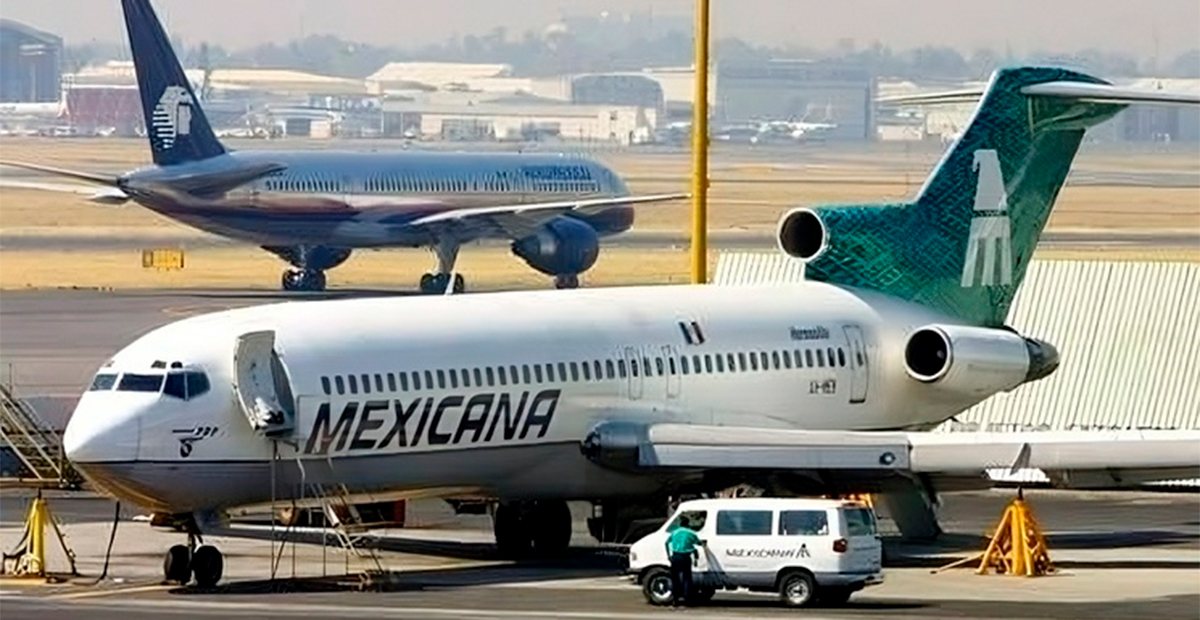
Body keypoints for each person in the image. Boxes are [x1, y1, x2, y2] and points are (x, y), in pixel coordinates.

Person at [665, 516, 706, 606]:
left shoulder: (674, 533)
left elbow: (666, 543)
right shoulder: (690, 533)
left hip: (675, 557)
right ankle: (687, 599)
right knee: (686, 578)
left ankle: (675, 599)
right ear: (687, 524)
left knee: (675, 579)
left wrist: (668, 555)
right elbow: (698, 543)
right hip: (685, 557)